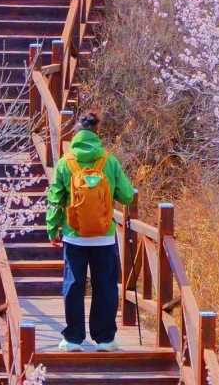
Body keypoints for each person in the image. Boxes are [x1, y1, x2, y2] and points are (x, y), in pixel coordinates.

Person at [45, 108, 136, 351]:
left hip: (75, 237)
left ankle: (73, 338)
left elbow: (55, 199)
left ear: (74, 135)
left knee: (73, 285)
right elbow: (127, 197)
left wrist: (52, 228)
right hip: (104, 237)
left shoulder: (66, 163)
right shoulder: (109, 161)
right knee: (105, 286)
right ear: (97, 133)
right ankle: (105, 338)